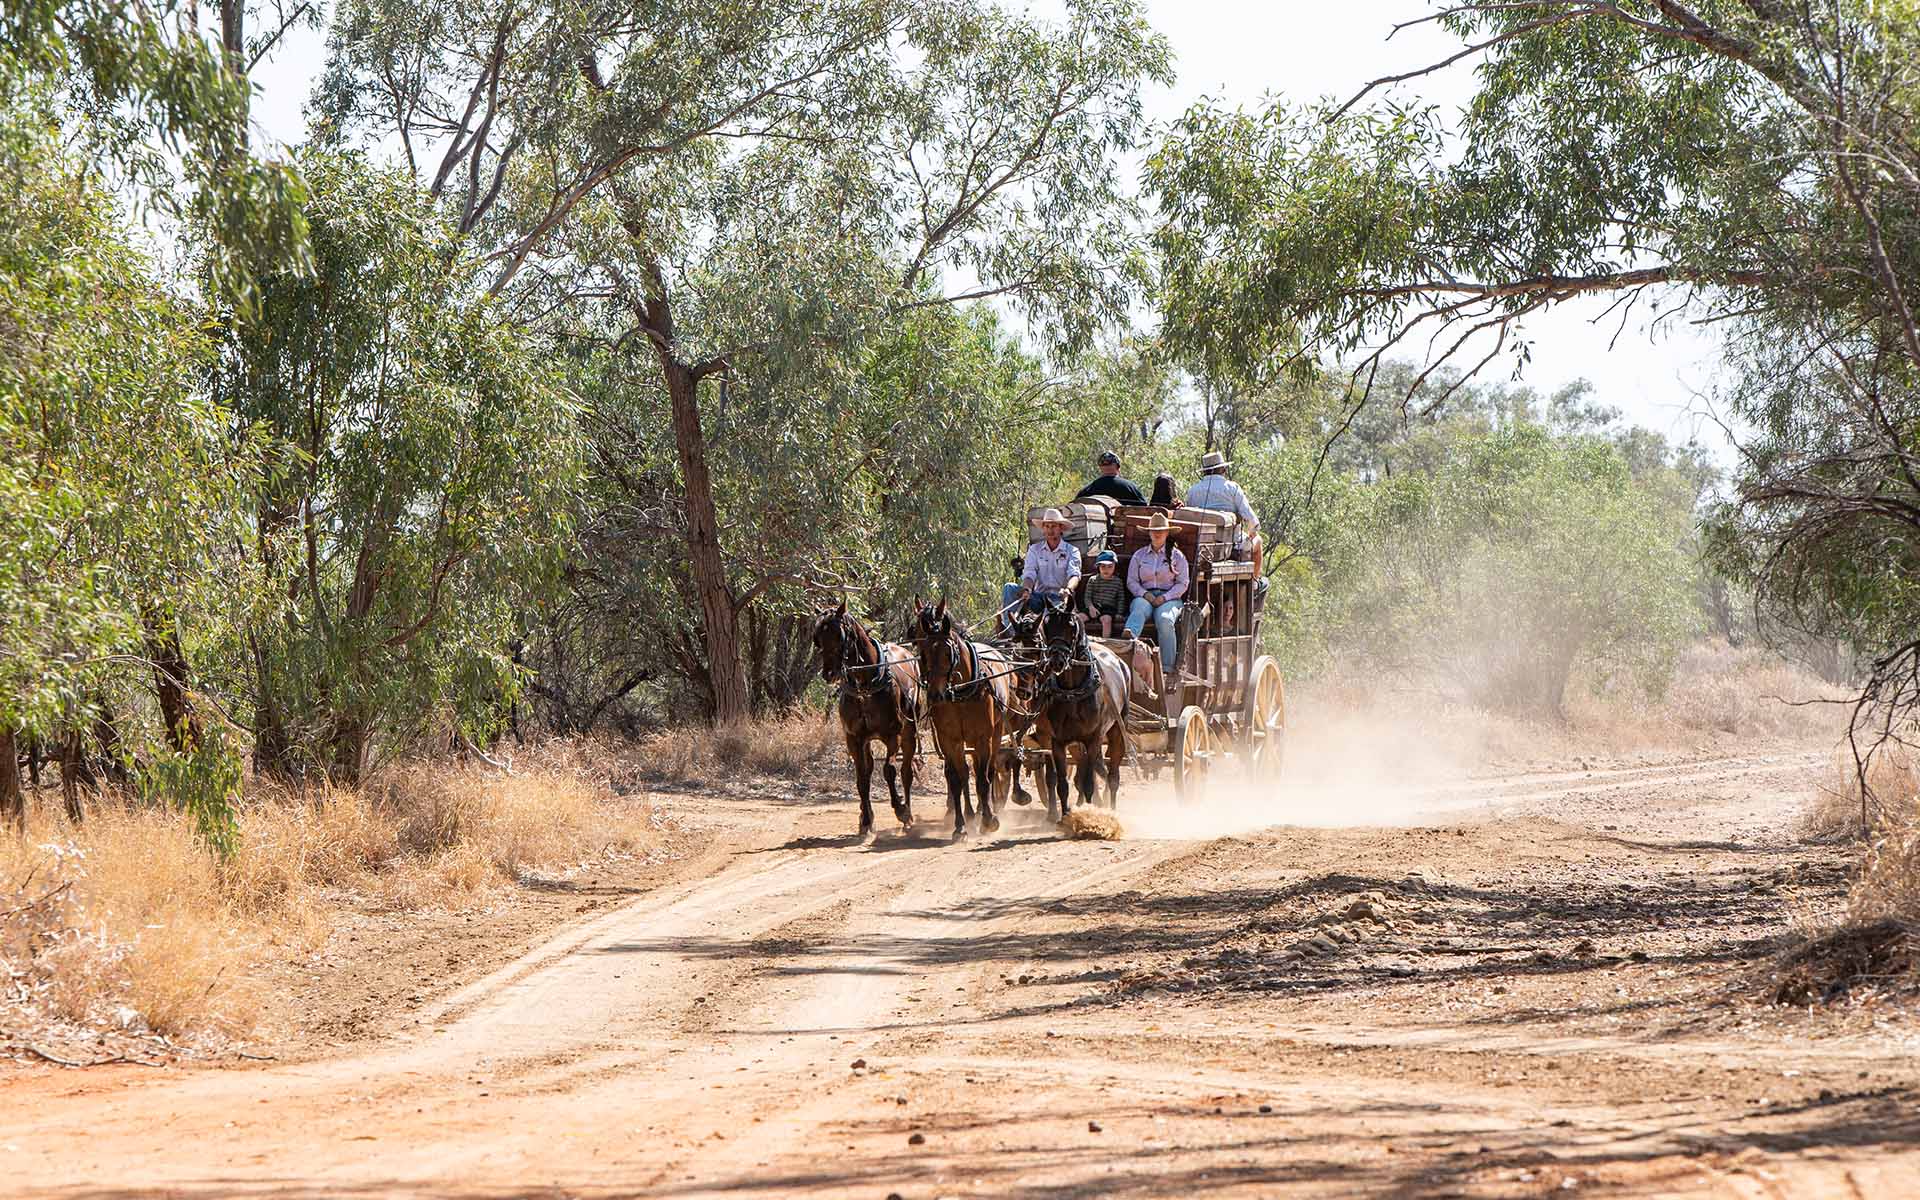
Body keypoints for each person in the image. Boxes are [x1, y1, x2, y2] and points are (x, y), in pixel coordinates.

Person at [1125, 512, 1189, 674]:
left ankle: (1167, 668)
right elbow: (1131, 581)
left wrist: (1164, 597)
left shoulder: (1177, 556)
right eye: (1154, 530)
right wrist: (1144, 594)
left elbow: (1183, 584)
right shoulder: (1139, 555)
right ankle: (1126, 648)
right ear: (1149, 532)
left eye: (1161, 530)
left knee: (1165, 619)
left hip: (1170, 599)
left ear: (1167, 533)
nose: (1157, 533)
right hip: (1144, 596)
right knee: (1138, 611)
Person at [1185, 450, 1263, 577]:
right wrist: (1252, 533)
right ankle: (1254, 582)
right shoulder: (1232, 488)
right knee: (1258, 540)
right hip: (1231, 545)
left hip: (1202, 546)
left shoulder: (1193, 491)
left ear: (1204, 471)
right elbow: (1251, 520)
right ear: (1222, 469)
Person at [1000, 508, 1082, 619]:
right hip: (1037, 597)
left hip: (1058, 598)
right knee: (1009, 588)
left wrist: (1068, 590)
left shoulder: (1072, 551)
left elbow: (1074, 575)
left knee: (1052, 619)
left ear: (1060, 528)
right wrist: (1027, 589)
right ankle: (1009, 630)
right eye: (1047, 526)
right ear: (1043, 528)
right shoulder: (1034, 550)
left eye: (1053, 526)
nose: (1050, 530)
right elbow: (1030, 573)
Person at [1080, 549, 1129, 638]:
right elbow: (1087, 596)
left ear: (1114, 566)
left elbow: (1121, 599)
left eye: (1110, 566)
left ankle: (1105, 641)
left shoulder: (1117, 582)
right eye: (1103, 566)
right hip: (1094, 606)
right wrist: (1090, 607)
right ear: (1098, 567)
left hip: (1108, 608)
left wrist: (1119, 613)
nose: (1106, 569)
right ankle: (1080, 639)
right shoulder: (1093, 580)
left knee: (1106, 620)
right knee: (1079, 618)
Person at [1074, 450, 1147, 506]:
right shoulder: (1130, 487)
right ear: (1118, 467)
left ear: (1100, 468)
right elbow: (1145, 509)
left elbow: (1074, 508)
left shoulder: (1087, 490)